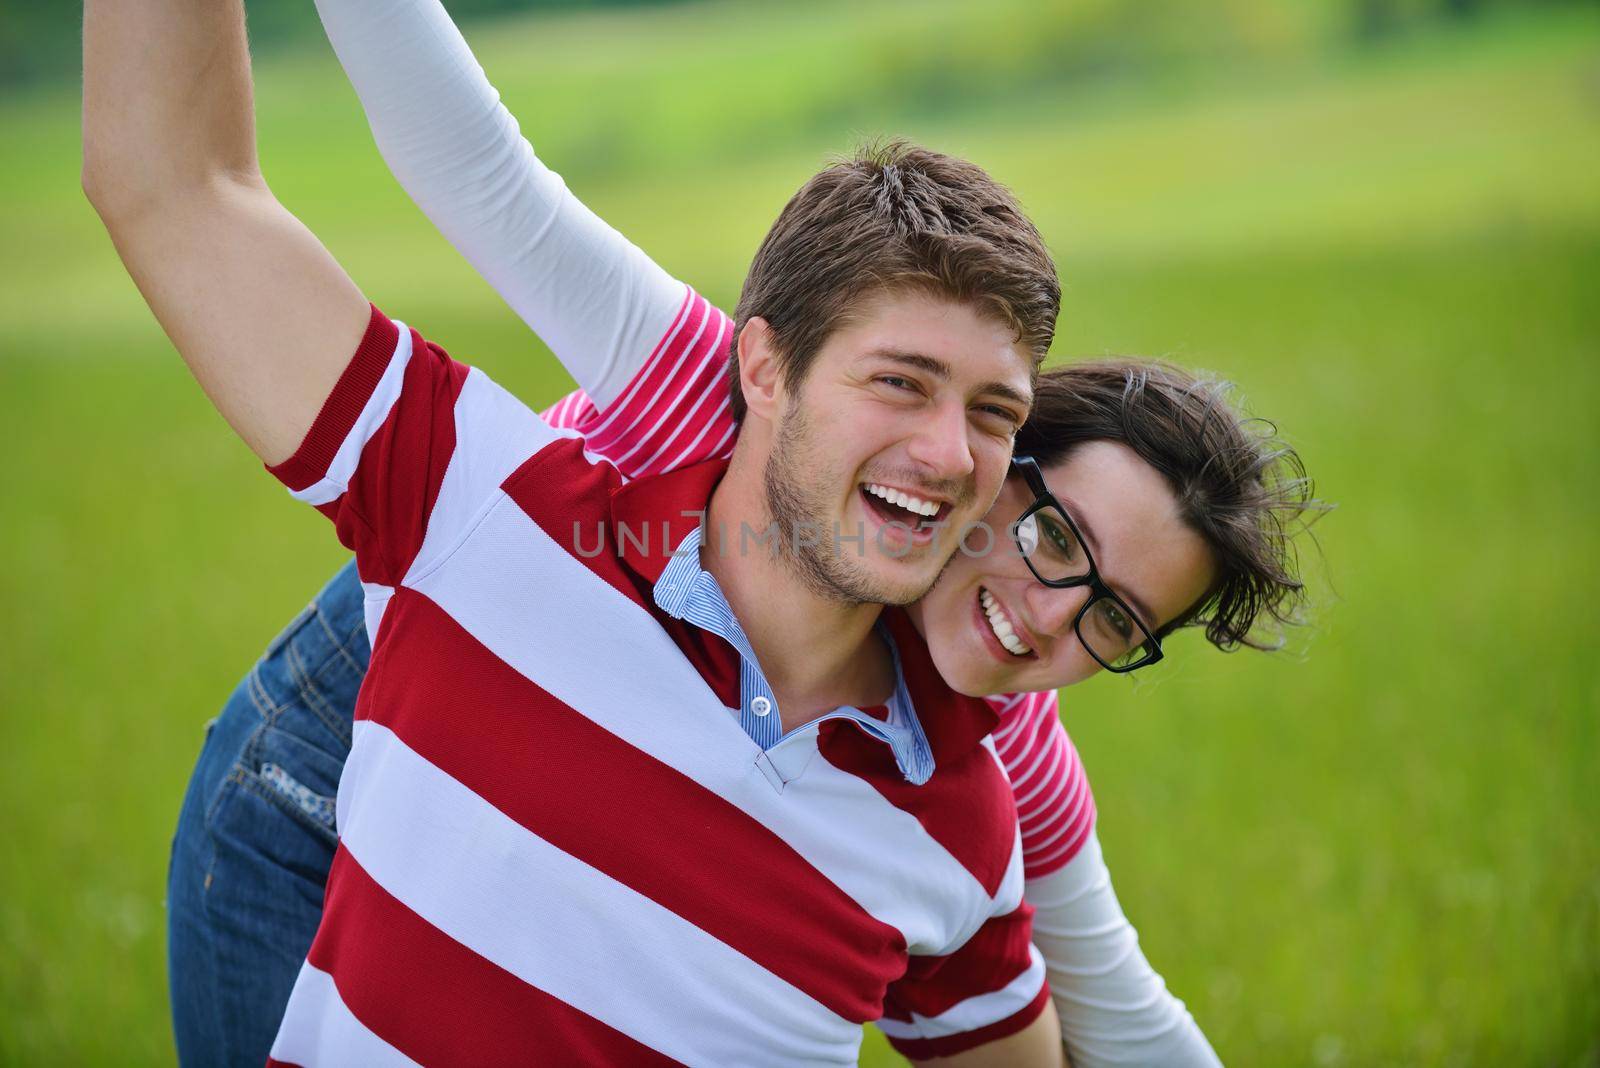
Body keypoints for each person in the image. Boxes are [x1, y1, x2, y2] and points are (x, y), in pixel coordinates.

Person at [160, 2, 1317, 1066]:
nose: (1051, 613)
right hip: (365, 716)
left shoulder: (997, 757)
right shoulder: (706, 388)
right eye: (1057, 541)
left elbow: (1117, 1008)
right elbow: (478, 176)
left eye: (1117, 617)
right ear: (1009, 476)